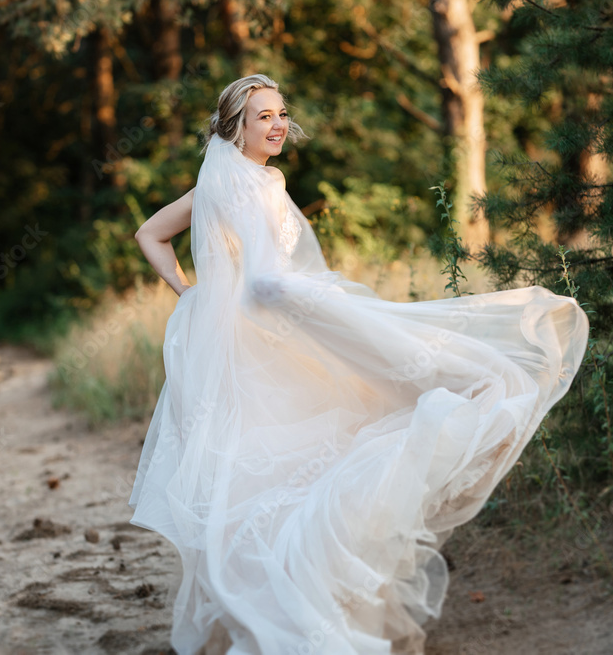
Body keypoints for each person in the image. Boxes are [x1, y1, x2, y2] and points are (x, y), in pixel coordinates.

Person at [128, 74, 589, 655]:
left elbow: (150, 233)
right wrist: (317, 310)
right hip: (275, 335)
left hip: (246, 344)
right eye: (262, 116)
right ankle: (306, 602)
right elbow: (266, 280)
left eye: (280, 113)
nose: (277, 125)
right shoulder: (254, 187)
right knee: (324, 445)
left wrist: (190, 293)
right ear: (235, 128)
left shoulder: (222, 183)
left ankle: (279, 600)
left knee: (269, 467)